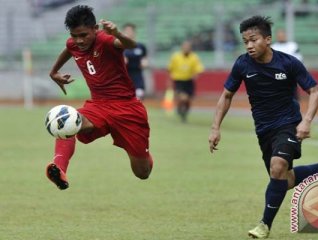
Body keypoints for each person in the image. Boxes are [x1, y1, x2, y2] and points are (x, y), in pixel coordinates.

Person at [208, 16, 318, 239]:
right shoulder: (242, 64)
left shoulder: (288, 63)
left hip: (289, 124)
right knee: (284, 179)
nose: (249, 46)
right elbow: (226, 95)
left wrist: (307, 121)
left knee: (277, 166)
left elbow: (314, 91)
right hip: (264, 130)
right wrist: (215, 128)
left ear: (268, 39)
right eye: (245, 41)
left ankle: (264, 225)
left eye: (253, 40)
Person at [46, 5, 154, 190]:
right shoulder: (73, 43)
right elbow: (69, 48)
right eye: (74, 35)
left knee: (142, 172)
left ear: (95, 29)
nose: (78, 40)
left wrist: (117, 33)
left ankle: (144, 154)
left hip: (127, 109)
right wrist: (54, 72)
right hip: (98, 105)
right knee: (65, 120)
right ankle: (59, 168)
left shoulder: (105, 40)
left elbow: (130, 45)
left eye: (83, 35)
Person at [167, 40, 204, 122]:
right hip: (179, 80)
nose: (186, 48)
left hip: (189, 81)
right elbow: (170, 69)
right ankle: (180, 108)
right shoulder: (175, 57)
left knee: (188, 100)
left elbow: (198, 69)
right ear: (182, 47)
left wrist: (195, 75)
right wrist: (169, 80)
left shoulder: (194, 57)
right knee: (182, 98)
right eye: (185, 47)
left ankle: (184, 112)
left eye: (188, 47)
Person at [123, 23, 149, 100]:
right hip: (124, 77)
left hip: (137, 77)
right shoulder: (120, 47)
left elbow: (145, 59)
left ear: (134, 32)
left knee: (138, 98)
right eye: (127, 31)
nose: (129, 33)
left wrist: (145, 63)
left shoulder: (141, 46)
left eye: (131, 31)